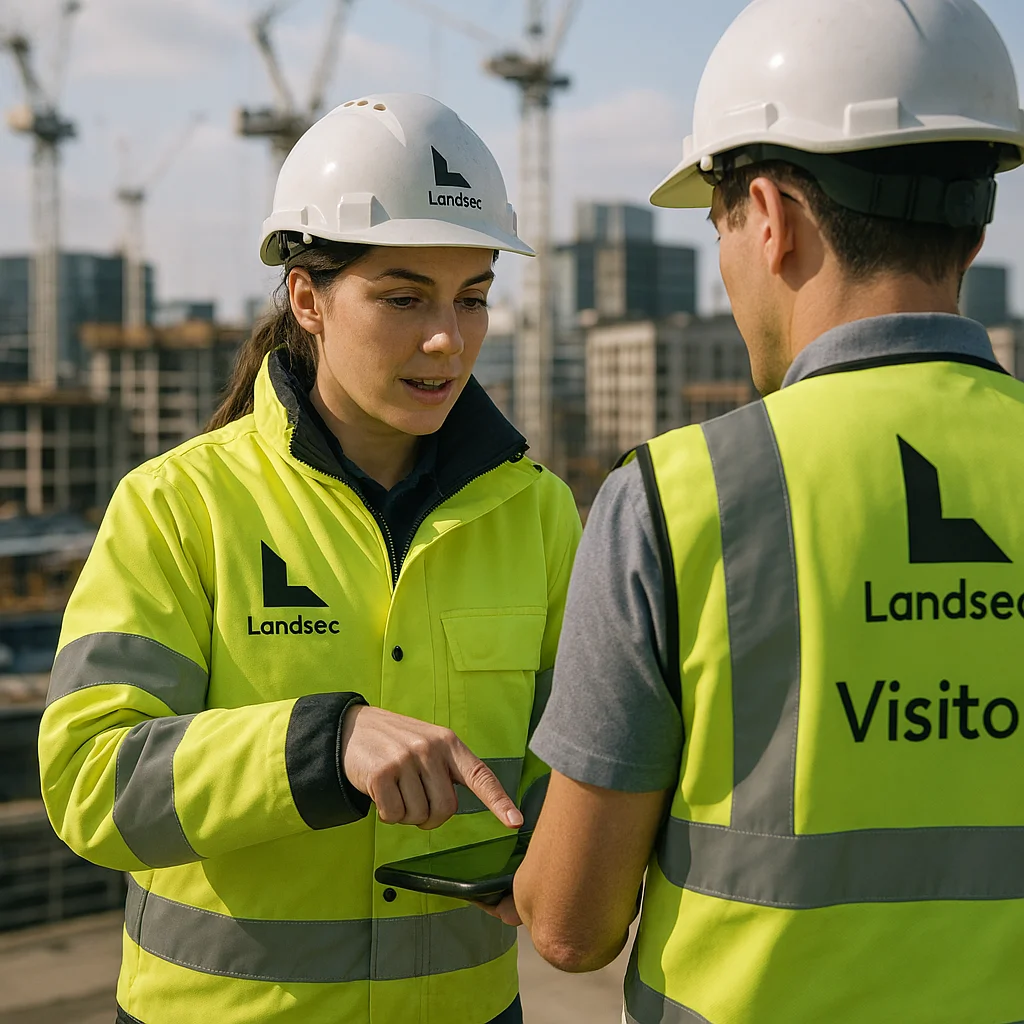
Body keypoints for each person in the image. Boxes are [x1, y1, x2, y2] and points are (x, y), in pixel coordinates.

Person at [498, 1, 1024, 1020]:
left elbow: (569, 924)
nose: (729, 263)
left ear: (772, 216)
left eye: (720, 223)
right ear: (976, 217)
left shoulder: (678, 494)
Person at [37, 93, 580, 1024]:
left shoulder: (538, 515)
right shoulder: (179, 506)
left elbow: (566, 757)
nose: (448, 338)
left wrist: (549, 851)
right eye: (404, 298)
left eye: (474, 297)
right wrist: (322, 743)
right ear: (308, 299)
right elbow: (92, 777)